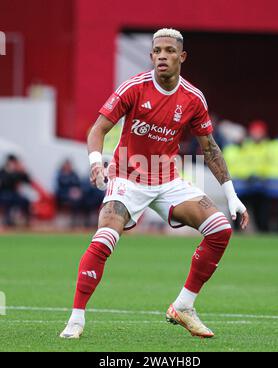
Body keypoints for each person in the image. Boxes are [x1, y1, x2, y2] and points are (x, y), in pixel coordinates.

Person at [60, 28, 249, 339]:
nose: (162, 55)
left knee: (220, 229)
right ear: (151, 56)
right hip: (127, 178)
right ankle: (76, 319)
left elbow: (210, 148)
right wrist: (96, 164)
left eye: (169, 51)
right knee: (105, 237)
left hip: (167, 180)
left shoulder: (193, 98)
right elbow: (97, 129)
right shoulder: (133, 88)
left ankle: (184, 306)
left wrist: (232, 196)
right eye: (157, 50)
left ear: (182, 57)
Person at [0, 154, 31, 226]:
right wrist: (10, 172)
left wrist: (23, 171)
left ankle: (26, 220)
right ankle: (7, 220)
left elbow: (27, 180)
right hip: (4, 193)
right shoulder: (2, 171)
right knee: (7, 200)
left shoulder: (17, 172)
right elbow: (4, 182)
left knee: (25, 201)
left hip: (14, 194)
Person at [55, 159, 83, 227]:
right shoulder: (60, 174)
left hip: (74, 196)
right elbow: (61, 186)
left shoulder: (74, 174)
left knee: (78, 200)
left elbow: (78, 184)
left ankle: (75, 220)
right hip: (63, 196)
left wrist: (75, 191)